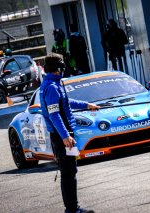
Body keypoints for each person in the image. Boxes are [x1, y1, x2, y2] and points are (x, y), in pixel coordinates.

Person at [40, 53, 99, 213]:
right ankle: (72, 210)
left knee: (70, 171)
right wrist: (65, 136)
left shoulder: (54, 84)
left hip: (64, 134)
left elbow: (66, 102)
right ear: (58, 69)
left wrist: (87, 105)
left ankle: (73, 208)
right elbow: (54, 114)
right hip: (61, 137)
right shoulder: (51, 87)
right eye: (62, 67)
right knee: (68, 173)